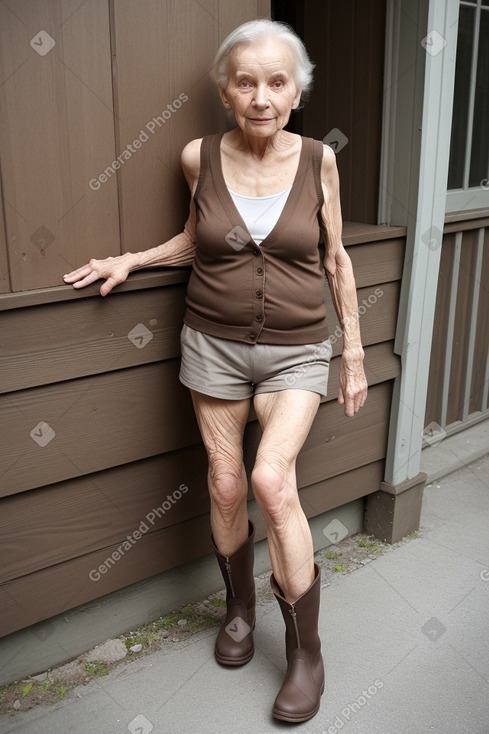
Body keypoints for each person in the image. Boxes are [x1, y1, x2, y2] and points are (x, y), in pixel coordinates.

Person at [63, 18, 367, 723]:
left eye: (276, 82)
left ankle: (305, 652)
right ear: (226, 92)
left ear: (296, 91)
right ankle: (238, 607)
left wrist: (351, 352)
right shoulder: (197, 155)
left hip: (296, 347)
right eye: (246, 82)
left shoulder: (319, 158)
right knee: (227, 482)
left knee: (270, 480)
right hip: (212, 345)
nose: (261, 96)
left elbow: (335, 258)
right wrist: (132, 260)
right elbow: (194, 238)